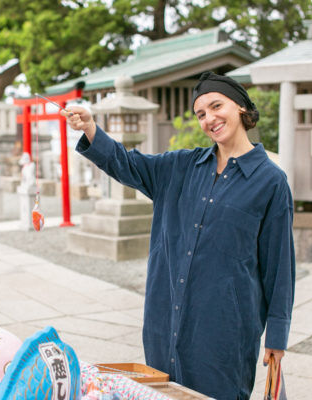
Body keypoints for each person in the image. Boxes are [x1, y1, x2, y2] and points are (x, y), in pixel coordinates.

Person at [61, 71, 295, 400]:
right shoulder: (181, 166)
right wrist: (90, 128)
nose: (210, 118)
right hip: (163, 323)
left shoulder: (271, 181)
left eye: (217, 106)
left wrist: (277, 337)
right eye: (201, 114)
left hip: (224, 333)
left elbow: (279, 266)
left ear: (241, 107)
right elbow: (126, 163)